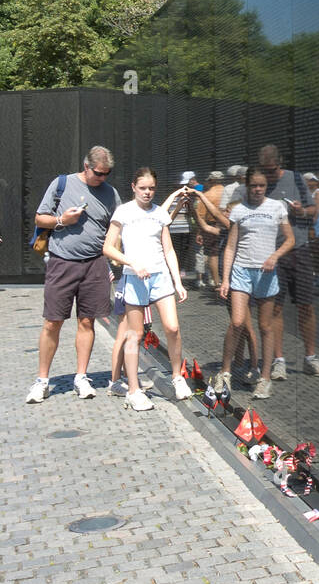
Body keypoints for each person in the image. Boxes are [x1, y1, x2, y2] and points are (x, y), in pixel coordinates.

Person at [26, 146, 122, 405]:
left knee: (87, 321)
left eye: (107, 173)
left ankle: (81, 376)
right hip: (62, 262)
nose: (103, 178)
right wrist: (61, 220)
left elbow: (119, 227)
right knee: (52, 322)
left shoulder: (111, 193)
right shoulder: (61, 184)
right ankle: (42, 381)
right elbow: (39, 218)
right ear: (86, 166)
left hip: (94, 264)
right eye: (99, 173)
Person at [102, 167, 194, 409]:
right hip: (135, 278)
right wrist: (131, 262)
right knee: (135, 334)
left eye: (151, 188)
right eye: (143, 188)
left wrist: (178, 282)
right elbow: (108, 247)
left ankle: (177, 377)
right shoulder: (124, 212)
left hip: (160, 276)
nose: (147, 192)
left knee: (173, 327)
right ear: (133, 187)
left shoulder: (159, 214)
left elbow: (169, 249)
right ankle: (133, 390)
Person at [219, 166, 296, 400]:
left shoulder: (277, 207)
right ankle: (225, 373)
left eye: (262, 185)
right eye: (254, 185)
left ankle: (264, 379)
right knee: (237, 322)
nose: (258, 189)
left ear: (266, 186)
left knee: (265, 326)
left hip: (266, 273)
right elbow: (231, 246)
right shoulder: (239, 210)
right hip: (242, 270)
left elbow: (290, 239)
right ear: (247, 186)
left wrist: (275, 256)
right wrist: (225, 279)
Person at [257, 144, 319, 378]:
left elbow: (313, 211)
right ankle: (279, 359)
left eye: (272, 170)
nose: (269, 175)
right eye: (265, 170)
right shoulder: (258, 184)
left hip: (299, 250)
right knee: (275, 307)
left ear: (280, 163)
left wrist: (301, 212)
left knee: (306, 305)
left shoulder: (296, 179)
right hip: (271, 254)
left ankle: (310, 357)